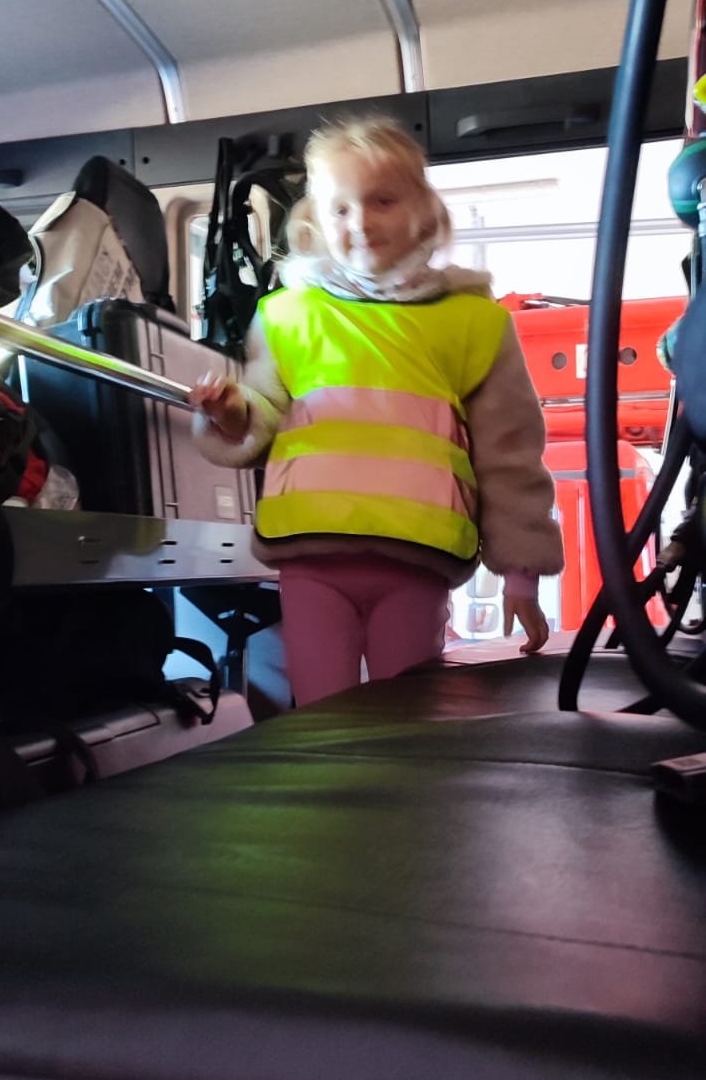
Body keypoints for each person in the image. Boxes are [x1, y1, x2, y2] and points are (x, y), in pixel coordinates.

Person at [190, 116, 564, 706]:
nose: (360, 222)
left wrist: (520, 574)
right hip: (312, 552)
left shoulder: (473, 323)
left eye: (382, 201)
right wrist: (231, 413)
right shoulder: (286, 316)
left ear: (424, 213)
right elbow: (264, 413)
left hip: (417, 556)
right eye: (339, 208)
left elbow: (509, 455)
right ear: (315, 220)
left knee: (406, 719)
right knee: (321, 717)